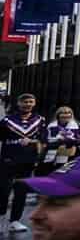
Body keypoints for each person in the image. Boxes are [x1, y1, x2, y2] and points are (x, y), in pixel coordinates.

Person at [0, 91, 45, 232]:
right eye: (25, 102)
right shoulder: (8, 120)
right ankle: (1, 217)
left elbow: (44, 139)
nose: (28, 104)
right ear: (19, 103)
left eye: (30, 102)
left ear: (34, 103)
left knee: (21, 191)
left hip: (27, 160)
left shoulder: (40, 120)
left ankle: (15, 221)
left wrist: (33, 141)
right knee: (3, 189)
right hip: (8, 158)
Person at [38, 106, 80, 176]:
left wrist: (69, 141)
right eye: (63, 113)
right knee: (50, 172)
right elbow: (44, 140)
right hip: (53, 152)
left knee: (67, 174)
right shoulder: (51, 126)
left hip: (71, 152)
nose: (66, 115)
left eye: (68, 113)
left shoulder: (78, 125)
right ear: (58, 115)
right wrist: (57, 141)